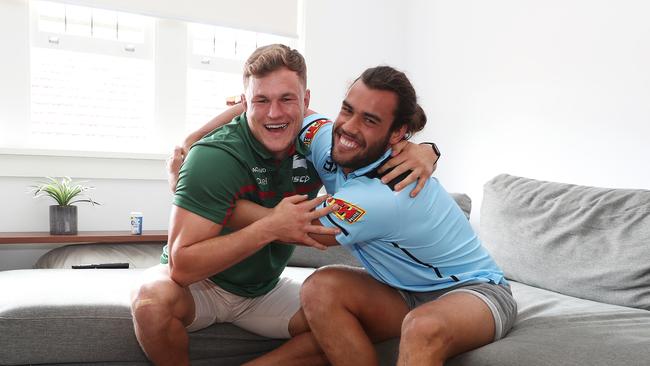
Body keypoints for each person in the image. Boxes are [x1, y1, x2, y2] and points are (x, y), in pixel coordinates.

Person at [131, 44, 438, 366]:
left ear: (305, 101)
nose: (275, 113)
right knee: (151, 303)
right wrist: (269, 227)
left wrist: (427, 150)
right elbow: (182, 268)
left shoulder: (322, 144)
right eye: (261, 100)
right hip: (199, 287)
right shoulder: (214, 157)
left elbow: (372, 144)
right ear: (246, 101)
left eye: (287, 99)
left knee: (366, 323)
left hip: (263, 291)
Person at [221, 66, 517, 366]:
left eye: (370, 120)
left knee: (422, 327)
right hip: (401, 292)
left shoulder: (384, 195)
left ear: (398, 133)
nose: (349, 127)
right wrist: (192, 139)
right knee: (321, 287)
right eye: (347, 110)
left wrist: (211, 203)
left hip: (475, 291)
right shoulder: (327, 140)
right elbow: (284, 110)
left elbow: (292, 227)